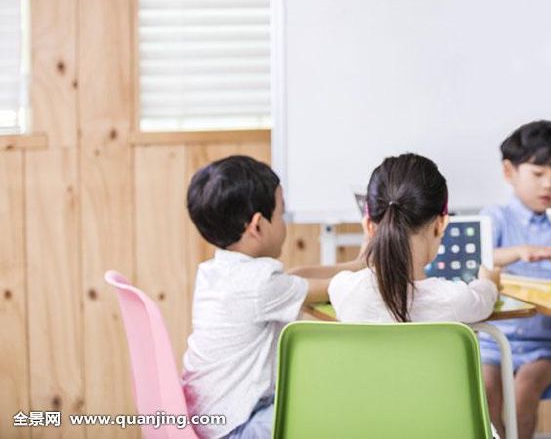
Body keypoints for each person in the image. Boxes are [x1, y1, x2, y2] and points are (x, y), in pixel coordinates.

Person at [181, 155, 364, 439]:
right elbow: (334, 287)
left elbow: (296, 279)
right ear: (257, 226)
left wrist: (358, 263)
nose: (284, 222)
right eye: (281, 214)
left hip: (209, 418)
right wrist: (371, 259)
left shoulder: (214, 272)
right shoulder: (261, 285)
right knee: (330, 406)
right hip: (239, 428)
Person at [479, 120, 551, 439]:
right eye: (538, 174)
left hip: (543, 348)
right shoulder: (495, 218)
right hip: (492, 341)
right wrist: (518, 252)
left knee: (524, 392)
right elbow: (477, 261)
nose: (548, 185)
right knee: (487, 393)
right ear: (509, 172)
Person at [328, 152, 500, 323]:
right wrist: (488, 282)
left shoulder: (342, 289)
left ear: (368, 227)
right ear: (440, 224)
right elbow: (485, 298)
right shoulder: (456, 300)